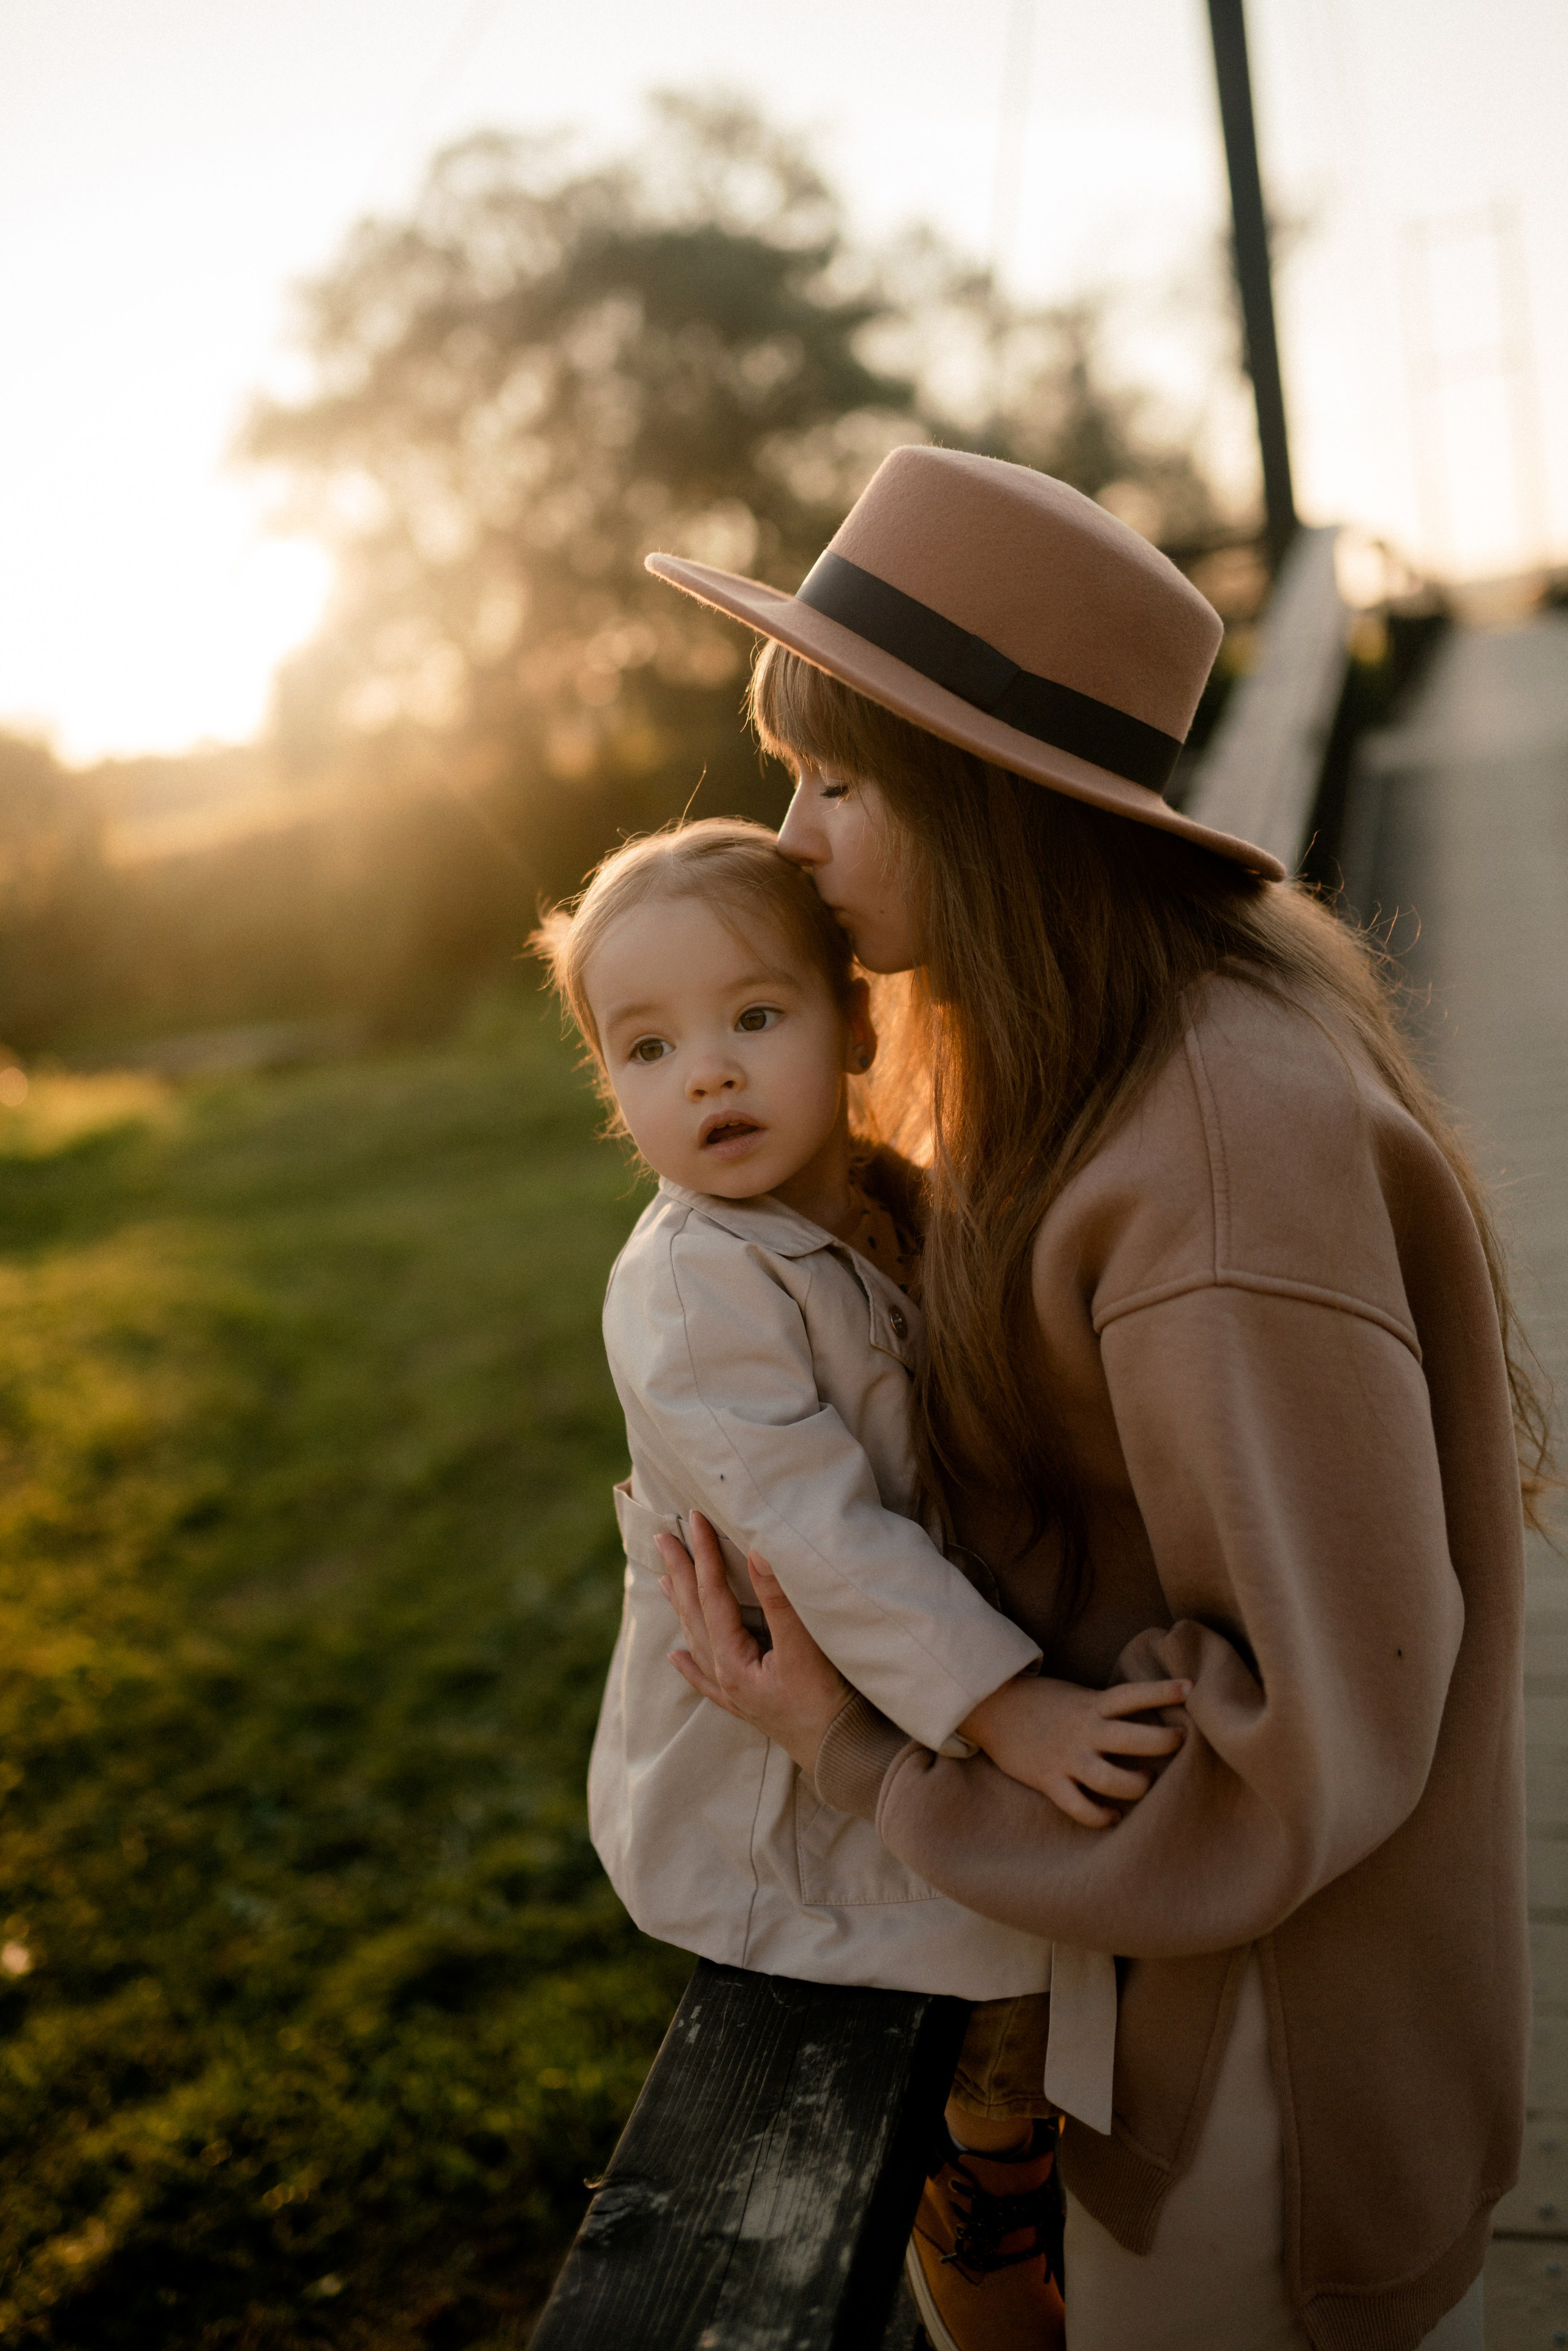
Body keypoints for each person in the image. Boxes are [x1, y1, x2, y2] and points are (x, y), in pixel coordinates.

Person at [645, 444, 1542, 2351]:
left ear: (986, 808)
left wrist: (874, 1756)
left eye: (836, 779)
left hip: (1261, 2093)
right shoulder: (1093, 1050)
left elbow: (1308, 1740)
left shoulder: (1216, 1157)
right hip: (1163, 2006)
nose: (790, 838)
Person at [533, 819, 1195, 2348]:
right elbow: (822, 1539)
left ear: (856, 1021)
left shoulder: (878, 1202)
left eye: (753, 1019)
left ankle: (1035, 2208)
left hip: (902, 1706)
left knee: (1036, 2008)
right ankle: (989, 2277)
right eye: (645, 1047)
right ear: (609, 1083)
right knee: (977, 2043)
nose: (703, 1072)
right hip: (797, 1769)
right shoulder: (694, 1290)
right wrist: (1009, 1707)